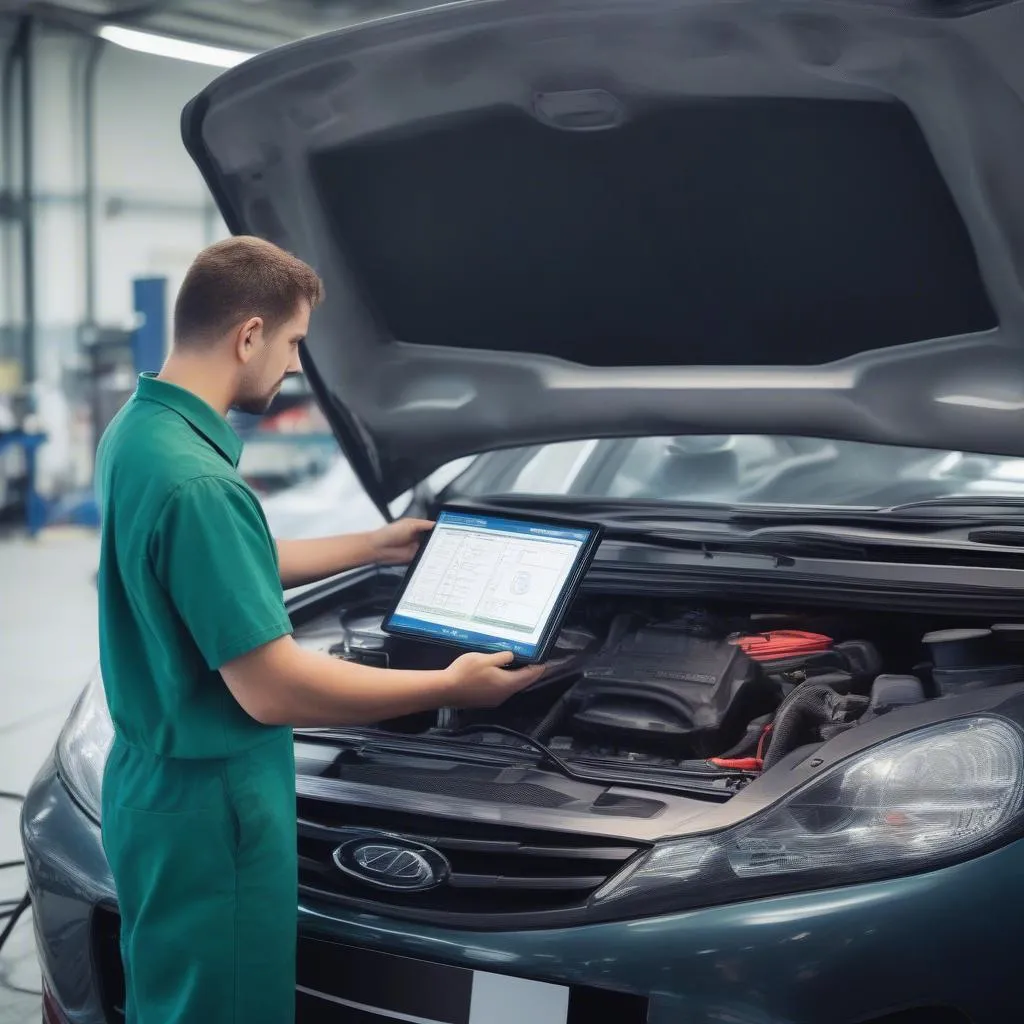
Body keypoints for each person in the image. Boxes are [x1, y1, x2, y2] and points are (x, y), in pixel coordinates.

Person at [94, 236, 544, 1024]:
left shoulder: (140, 434)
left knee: (169, 998)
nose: (297, 364)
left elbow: (223, 565)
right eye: (295, 341)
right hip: (215, 806)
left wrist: (374, 545)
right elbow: (274, 689)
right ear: (248, 335)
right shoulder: (201, 484)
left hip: (151, 791)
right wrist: (451, 685)